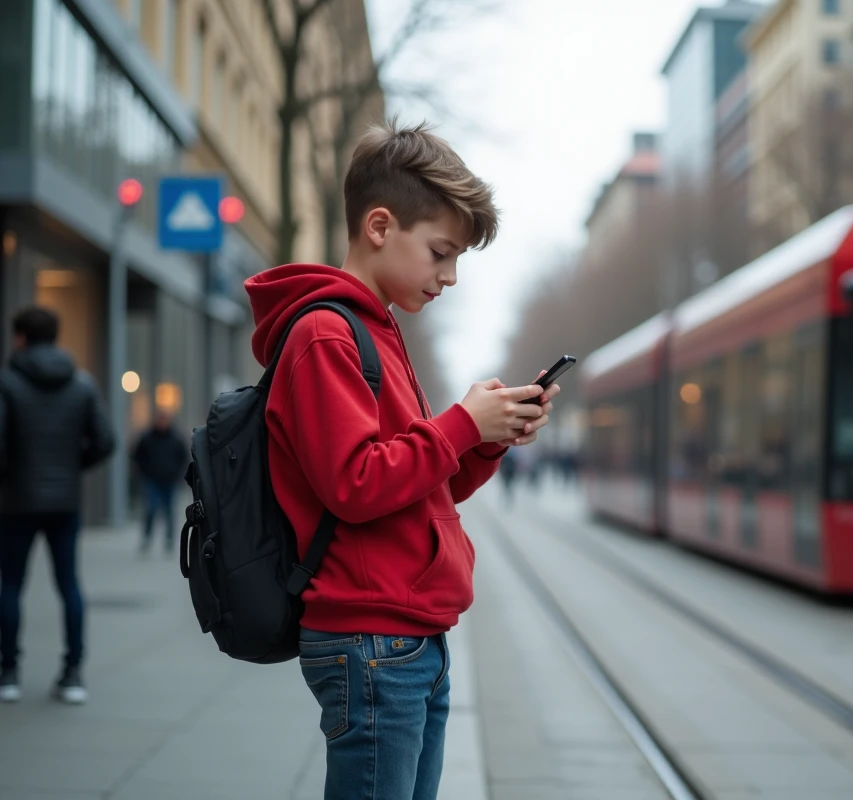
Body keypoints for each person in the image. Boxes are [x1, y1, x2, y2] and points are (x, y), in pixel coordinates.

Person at [243, 117, 560, 800]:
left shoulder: (375, 330)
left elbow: (417, 486)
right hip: (371, 638)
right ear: (380, 227)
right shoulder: (328, 334)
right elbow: (356, 484)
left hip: (407, 637)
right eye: (441, 253)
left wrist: (486, 436)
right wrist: (457, 425)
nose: (448, 276)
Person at [0, 306, 114, 704]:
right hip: (65, 501)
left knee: (11, 584)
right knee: (69, 584)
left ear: (20, 337)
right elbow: (105, 441)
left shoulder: (8, 382)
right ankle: (73, 674)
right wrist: (70, 467)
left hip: (16, 501)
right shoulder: (80, 384)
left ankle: (9, 673)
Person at [133, 408, 190, 555]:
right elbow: (137, 456)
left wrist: (177, 474)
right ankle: (147, 538)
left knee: (169, 511)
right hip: (152, 480)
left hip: (170, 481)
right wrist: (145, 472)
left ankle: (169, 540)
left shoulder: (176, 438)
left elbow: (183, 458)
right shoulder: (147, 438)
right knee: (151, 510)